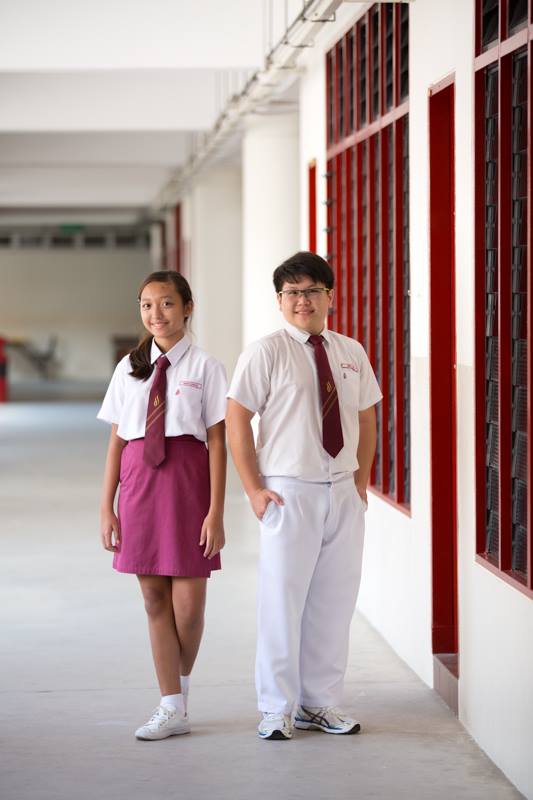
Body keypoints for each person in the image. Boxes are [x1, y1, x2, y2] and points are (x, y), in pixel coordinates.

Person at [226, 251, 382, 741]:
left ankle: (321, 702)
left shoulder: (350, 351)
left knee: (335, 600)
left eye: (312, 291)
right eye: (292, 292)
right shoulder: (266, 351)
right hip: (288, 491)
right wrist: (254, 489)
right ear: (279, 300)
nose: (302, 300)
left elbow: (365, 417)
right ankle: (276, 706)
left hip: (341, 490)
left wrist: (360, 482)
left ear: (330, 297)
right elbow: (236, 419)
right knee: (282, 601)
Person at [97, 270, 227, 741]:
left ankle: (180, 690)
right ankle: (170, 704)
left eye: (167, 303)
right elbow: (116, 440)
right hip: (138, 483)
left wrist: (216, 510)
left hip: (189, 483)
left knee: (189, 609)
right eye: (147, 305)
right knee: (154, 598)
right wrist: (106, 506)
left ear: (188, 307)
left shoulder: (206, 367)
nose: (157, 314)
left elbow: (217, 440)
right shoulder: (127, 368)